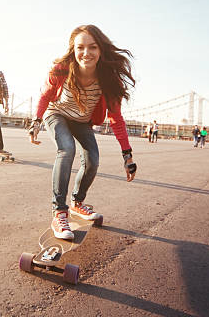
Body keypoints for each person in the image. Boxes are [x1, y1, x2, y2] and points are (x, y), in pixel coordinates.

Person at [27, 24, 137, 240]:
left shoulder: (108, 79)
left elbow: (116, 118)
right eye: (80, 48)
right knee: (66, 149)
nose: (86, 53)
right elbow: (45, 96)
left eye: (92, 47)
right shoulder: (62, 69)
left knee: (93, 160)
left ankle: (77, 203)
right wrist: (36, 122)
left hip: (82, 121)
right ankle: (59, 212)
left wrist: (127, 155)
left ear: (101, 50)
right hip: (56, 113)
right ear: (73, 49)